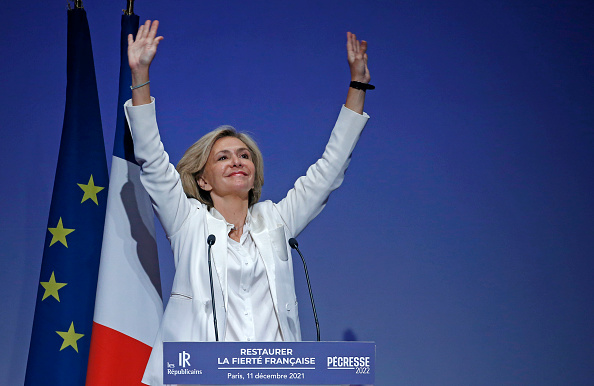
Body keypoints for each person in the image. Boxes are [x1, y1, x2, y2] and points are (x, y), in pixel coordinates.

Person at [125, 20, 372, 386]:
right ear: (203, 179)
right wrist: (141, 74)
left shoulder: (275, 221)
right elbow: (153, 159)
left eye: (244, 155)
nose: (237, 161)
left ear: (254, 174)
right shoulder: (189, 223)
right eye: (223, 157)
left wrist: (357, 86)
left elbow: (328, 171)